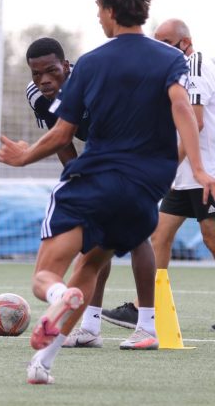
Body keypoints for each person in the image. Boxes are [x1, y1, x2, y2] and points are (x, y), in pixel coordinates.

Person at [0, 0, 215, 384]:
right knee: (94, 261)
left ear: (112, 10)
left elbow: (63, 133)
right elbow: (183, 109)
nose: (98, 16)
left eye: (99, 8)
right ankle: (43, 363)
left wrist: (23, 157)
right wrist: (201, 169)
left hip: (94, 181)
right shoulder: (171, 58)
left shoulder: (92, 64)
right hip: (143, 192)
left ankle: (59, 298)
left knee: (47, 276)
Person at [26, 38, 158, 351]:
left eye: (53, 71)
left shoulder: (95, 88)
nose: (45, 80)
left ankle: (148, 327)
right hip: (102, 156)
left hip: (137, 148)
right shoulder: (37, 96)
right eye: (37, 74)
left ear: (67, 67)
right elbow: (61, 139)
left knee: (136, 233)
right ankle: (89, 327)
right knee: (95, 235)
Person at [102, 18, 215, 331]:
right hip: (186, 175)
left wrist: (167, 163)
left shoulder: (194, 64)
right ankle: (143, 309)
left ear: (184, 42)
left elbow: (196, 122)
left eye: (164, 43)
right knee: (159, 236)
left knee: (211, 238)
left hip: (205, 171)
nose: (159, 49)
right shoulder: (175, 71)